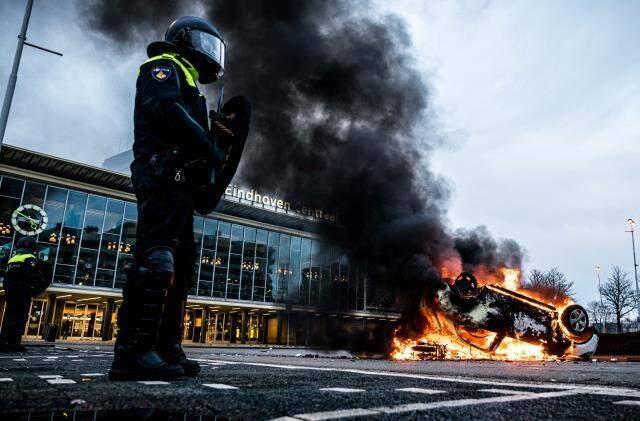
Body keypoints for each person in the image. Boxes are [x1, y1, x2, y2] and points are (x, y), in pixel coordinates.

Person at [109, 16, 250, 381]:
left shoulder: (189, 82)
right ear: (184, 39)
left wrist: (217, 141)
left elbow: (187, 126)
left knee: (181, 266)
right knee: (156, 257)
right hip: (159, 172)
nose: (210, 53)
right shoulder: (163, 67)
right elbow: (166, 110)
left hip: (182, 182)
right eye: (205, 42)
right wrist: (206, 142)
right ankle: (133, 352)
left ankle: (165, 346)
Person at [0, 236, 48, 352]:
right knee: (20, 318)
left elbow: (7, 278)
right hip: (23, 293)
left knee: (9, 317)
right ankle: (14, 343)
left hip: (11, 293)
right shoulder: (30, 259)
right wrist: (34, 289)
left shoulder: (13, 259)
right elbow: (33, 276)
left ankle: (4, 342)